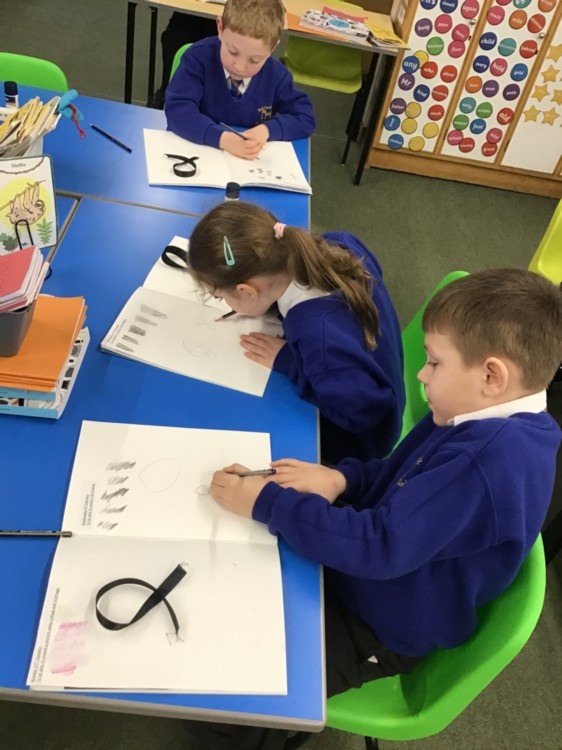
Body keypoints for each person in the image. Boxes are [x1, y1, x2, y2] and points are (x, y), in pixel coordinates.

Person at [184, 268, 562, 750]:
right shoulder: (476, 412)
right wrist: (342, 478)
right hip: (377, 569)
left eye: (434, 362)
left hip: (381, 623)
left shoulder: (481, 463)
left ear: (491, 375)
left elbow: (380, 547)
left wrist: (267, 503)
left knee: (228, 700)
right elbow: (399, 474)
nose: (421, 374)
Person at [187, 201, 405, 463]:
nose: (225, 304)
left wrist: (289, 361)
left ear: (247, 291)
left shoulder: (317, 336)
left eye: (220, 296)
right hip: (383, 372)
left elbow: (363, 413)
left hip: (358, 443)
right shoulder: (338, 243)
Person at [165, 0, 315, 160]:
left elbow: (305, 118)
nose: (240, 67)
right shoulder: (198, 58)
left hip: (247, 164)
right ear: (220, 28)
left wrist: (267, 130)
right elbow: (178, 111)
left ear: (272, 48)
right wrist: (222, 139)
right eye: (232, 52)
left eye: (254, 60)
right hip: (197, 154)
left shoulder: (277, 76)